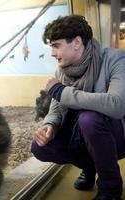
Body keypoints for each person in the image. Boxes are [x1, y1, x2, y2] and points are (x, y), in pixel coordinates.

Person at [31, 15, 125, 200]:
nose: (52, 52)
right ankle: (90, 167)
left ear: (76, 42)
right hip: (82, 135)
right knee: (39, 147)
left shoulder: (115, 60)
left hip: (115, 135)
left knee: (89, 118)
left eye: (56, 45)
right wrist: (50, 125)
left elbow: (117, 105)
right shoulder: (62, 69)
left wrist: (61, 91)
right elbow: (57, 108)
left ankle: (111, 188)